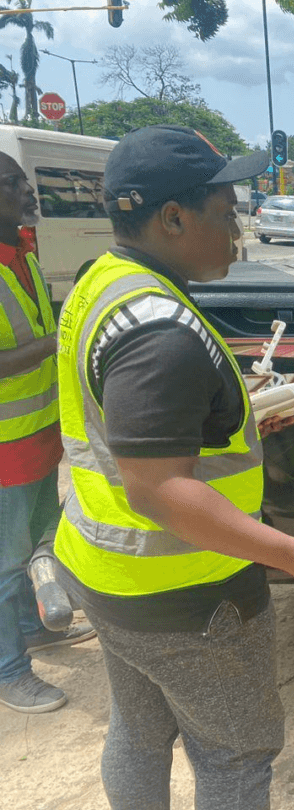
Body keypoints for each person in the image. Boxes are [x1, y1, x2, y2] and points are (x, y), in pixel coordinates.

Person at [52, 125, 294, 810]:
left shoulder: (103, 283)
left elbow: (122, 433)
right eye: (226, 213)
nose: (239, 228)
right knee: (235, 755)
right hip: (186, 597)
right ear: (172, 217)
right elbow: (158, 490)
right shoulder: (159, 330)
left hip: (106, 573)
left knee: (138, 730)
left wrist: (238, 417)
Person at [0, 151, 95, 714]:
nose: (30, 191)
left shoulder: (23, 252)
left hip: (37, 438)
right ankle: (11, 672)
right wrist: (60, 338)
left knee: (38, 546)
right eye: (15, 184)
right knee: (5, 565)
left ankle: (36, 631)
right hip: (6, 449)